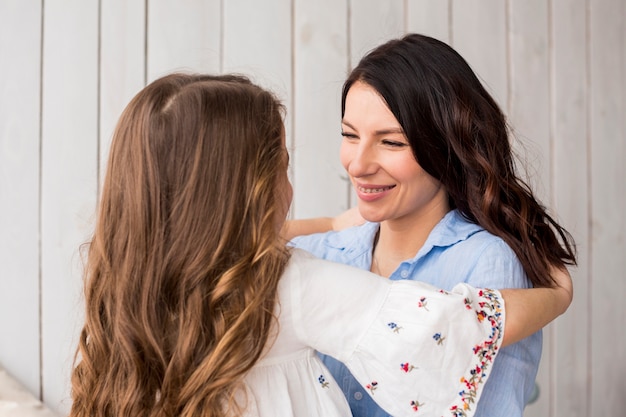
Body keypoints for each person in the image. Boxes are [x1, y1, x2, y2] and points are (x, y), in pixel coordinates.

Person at [68, 72, 572, 417]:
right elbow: (446, 329)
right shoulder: (293, 281)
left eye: (391, 140)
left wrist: (332, 221)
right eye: (282, 167)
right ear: (252, 191)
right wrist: (556, 295)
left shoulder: (132, 283)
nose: (355, 164)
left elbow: (225, 238)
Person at [288, 33, 577, 417]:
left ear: (443, 145)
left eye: (390, 142)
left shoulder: (486, 263)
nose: (358, 165)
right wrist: (331, 223)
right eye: (349, 135)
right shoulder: (320, 254)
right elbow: (218, 238)